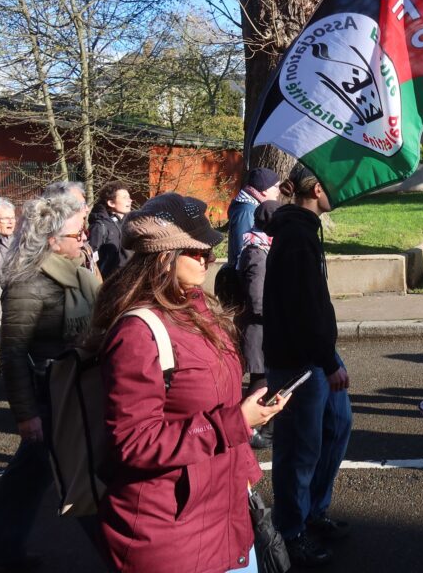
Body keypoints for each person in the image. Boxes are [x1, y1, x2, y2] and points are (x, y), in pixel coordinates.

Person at [91, 192, 286, 573]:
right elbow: (133, 442)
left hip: (224, 513)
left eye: (208, 251)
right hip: (170, 531)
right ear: (165, 256)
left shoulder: (200, 311)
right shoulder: (137, 332)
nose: (208, 259)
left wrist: (243, 468)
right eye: (196, 252)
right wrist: (236, 423)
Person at [0, 193, 96, 572]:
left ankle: (5, 549)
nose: (83, 238)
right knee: (74, 474)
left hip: (73, 392)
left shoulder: (81, 275)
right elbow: (14, 354)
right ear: (52, 240)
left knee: (33, 476)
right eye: (76, 233)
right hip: (49, 396)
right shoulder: (26, 284)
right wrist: (26, 415)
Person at [263, 164, 351, 568]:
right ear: (316, 189)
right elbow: (302, 311)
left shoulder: (303, 230)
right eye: (332, 186)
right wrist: (328, 359)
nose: (338, 193)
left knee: (336, 427)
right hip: (299, 361)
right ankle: (291, 530)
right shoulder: (297, 236)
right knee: (298, 451)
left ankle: (314, 510)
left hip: (313, 356)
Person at [237, 199, 281, 449]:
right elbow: (257, 298)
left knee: (268, 381)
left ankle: (265, 430)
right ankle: (249, 429)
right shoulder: (257, 253)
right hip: (260, 329)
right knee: (261, 383)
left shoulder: (261, 247)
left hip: (263, 329)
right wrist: (279, 315)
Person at [228, 168, 282, 265]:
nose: (279, 192)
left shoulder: (251, 206)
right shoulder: (247, 211)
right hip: (250, 273)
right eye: (276, 187)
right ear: (264, 190)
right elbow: (243, 250)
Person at [87, 181, 133, 279]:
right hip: (108, 286)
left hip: (129, 282)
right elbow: (90, 259)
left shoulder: (131, 223)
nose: (130, 200)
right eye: (124, 197)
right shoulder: (99, 226)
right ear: (111, 203)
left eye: (129, 197)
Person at [0, 198, 16, 336]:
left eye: (13, 218)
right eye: (5, 218)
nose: (11, 222)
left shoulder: (16, 240)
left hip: (14, 302)